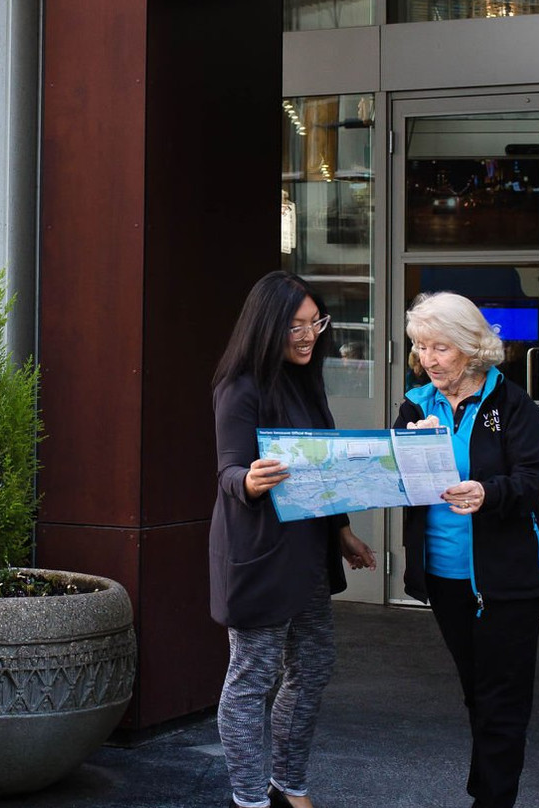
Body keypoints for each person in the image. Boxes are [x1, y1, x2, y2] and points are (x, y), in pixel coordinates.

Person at [395, 291, 539, 808]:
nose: (427, 359)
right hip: (447, 576)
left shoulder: (511, 405)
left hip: (508, 578)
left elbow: (536, 478)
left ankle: (493, 800)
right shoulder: (416, 404)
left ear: (472, 348)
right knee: (478, 690)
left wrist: (488, 491)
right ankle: (488, 791)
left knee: (502, 698)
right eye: (420, 347)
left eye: (440, 348)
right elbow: (394, 477)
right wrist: (404, 454)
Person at [210, 270, 377, 808]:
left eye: (315, 323)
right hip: (259, 552)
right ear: (268, 325)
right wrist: (249, 481)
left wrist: (343, 529)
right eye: (296, 325)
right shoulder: (240, 385)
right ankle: (249, 798)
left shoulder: (306, 380)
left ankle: (289, 782)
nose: (308, 335)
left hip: (308, 551)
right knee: (251, 677)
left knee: (313, 666)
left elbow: (323, 468)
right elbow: (229, 471)